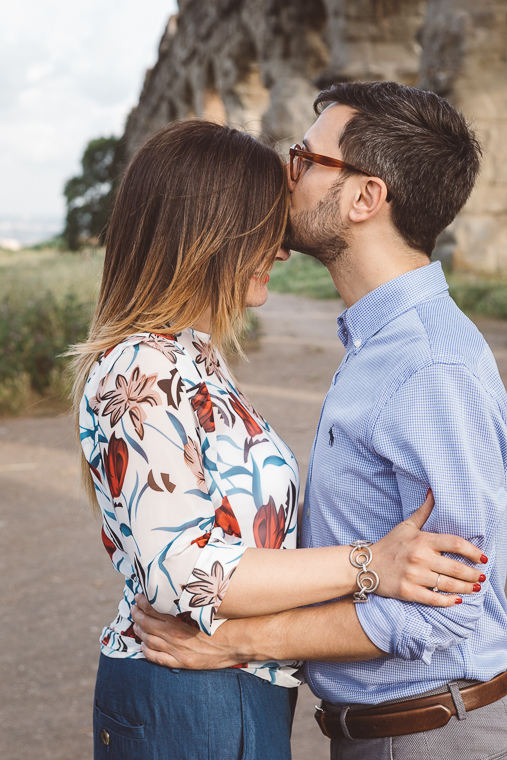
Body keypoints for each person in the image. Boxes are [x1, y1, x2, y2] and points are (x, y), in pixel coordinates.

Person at [72, 118, 484, 760]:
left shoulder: (191, 359)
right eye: (263, 227)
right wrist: (370, 564)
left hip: (228, 682)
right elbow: (183, 570)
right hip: (189, 688)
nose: (282, 248)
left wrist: (256, 639)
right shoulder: (142, 367)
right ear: (212, 235)